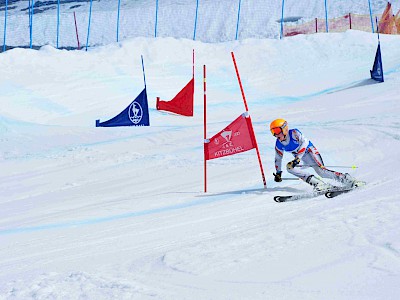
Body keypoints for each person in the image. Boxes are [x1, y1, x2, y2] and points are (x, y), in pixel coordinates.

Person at [269, 118, 362, 192]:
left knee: (321, 171)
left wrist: (297, 158)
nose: (276, 134)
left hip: (309, 152)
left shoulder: (294, 133)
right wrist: (278, 173)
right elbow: (278, 158)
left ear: (285, 128)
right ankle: (318, 184)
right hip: (300, 158)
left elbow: (305, 143)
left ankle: (347, 179)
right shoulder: (278, 144)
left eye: (277, 130)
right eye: (273, 132)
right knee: (290, 168)